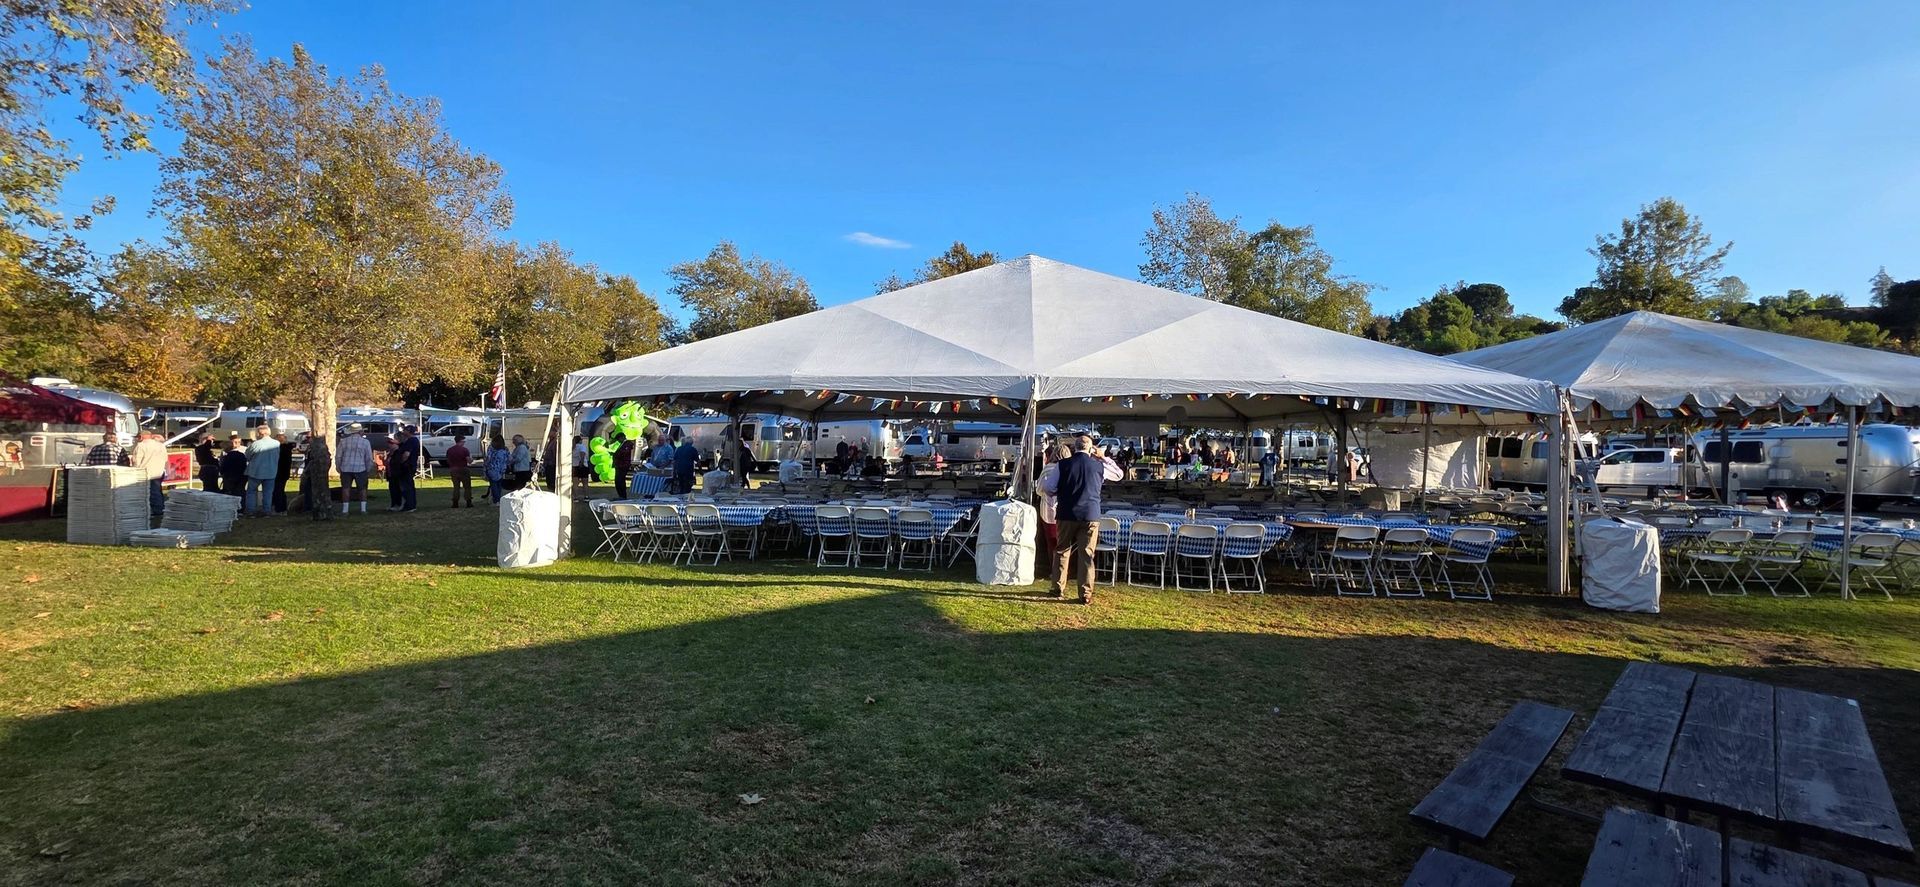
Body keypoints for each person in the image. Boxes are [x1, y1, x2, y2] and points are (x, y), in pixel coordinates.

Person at [1041, 433, 1123, 604]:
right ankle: (1085, 594)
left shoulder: (1062, 465)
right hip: (1090, 514)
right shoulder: (1099, 466)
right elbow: (1119, 475)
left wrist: (1059, 492)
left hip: (1066, 513)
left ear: (1074, 448)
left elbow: (1048, 488)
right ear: (1091, 449)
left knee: (1062, 550)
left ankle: (1057, 587)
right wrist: (1104, 457)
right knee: (1087, 554)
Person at [1034, 443, 1071, 575]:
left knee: (1052, 543)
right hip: (1065, 510)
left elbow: (1039, 490)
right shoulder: (1069, 469)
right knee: (1064, 543)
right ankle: (1063, 570)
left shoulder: (1048, 469)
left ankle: (1054, 570)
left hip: (1049, 511)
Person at [335, 424, 374, 515]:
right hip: (360, 468)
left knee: (345, 489)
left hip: (346, 468)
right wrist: (367, 469)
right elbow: (368, 458)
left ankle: (345, 510)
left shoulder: (343, 441)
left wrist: (338, 467)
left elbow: (338, 456)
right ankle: (363, 509)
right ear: (360, 431)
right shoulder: (365, 442)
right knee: (362, 489)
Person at [129, 430, 169, 516]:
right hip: (159, 471)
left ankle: (156, 510)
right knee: (158, 490)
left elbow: (136, 461)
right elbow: (166, 459)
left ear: (141, 436)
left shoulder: (141, 445)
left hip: (145, 472)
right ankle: (160, 507)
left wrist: (134, 471)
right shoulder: (161, 445)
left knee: (151, 492)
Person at [243, 426, 280, 517]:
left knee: (251, 491)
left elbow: (247, 455)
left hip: (256, 471)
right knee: (268, 492)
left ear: (259, 434)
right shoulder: (276, 443)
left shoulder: (256, 444)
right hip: (271, 471)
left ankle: (251, 511)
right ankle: (266, 511)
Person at [301, 433, 333, 521]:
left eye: (309, 438)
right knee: (307, 489)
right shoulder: (310, 448)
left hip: (316, 472)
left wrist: (306, 471)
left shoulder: (319, 449)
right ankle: (308, 506)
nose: (307, 439)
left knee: (314, 489)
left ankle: (314, 507)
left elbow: (314, 461)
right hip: (310, 472)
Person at [388, 426, 419, 512]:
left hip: (407, 467)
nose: (403, 431)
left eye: (405, 430)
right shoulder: (409, 441)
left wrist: (400, 462)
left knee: (406, 486)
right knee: (406, 485)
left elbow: (406, 454)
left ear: (409, 431)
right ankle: (408, 504)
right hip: (408, 466)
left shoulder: (412, 441)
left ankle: (410, 505)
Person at [484, 432, 512, 503]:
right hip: (502, 469)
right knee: (499, 485)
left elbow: (488, 459)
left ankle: (496, 500)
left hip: (492, 469)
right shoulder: (505, 449)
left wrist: (485, 467)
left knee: (493, 485)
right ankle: (499, 499)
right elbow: (509, 459)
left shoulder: (491, 449)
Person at [445, 434, 472, 507]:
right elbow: (469, 461)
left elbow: (448, 460)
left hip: (454, 469)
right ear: (461, 441)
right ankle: (468, 502)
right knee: (467, 487)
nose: (464, 443)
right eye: (464, 441)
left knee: (456, 487)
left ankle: (455, 502)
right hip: (463, 468)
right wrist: (471, 459)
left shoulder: (450, 450)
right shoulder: (465, 450)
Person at [271, 430, 294, 514]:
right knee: (280, 490)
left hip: (278, 472)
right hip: (285, 472)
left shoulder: (280, 449)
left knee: (277, 490)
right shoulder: (287, 449)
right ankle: (282, 507)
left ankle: (278, 508)